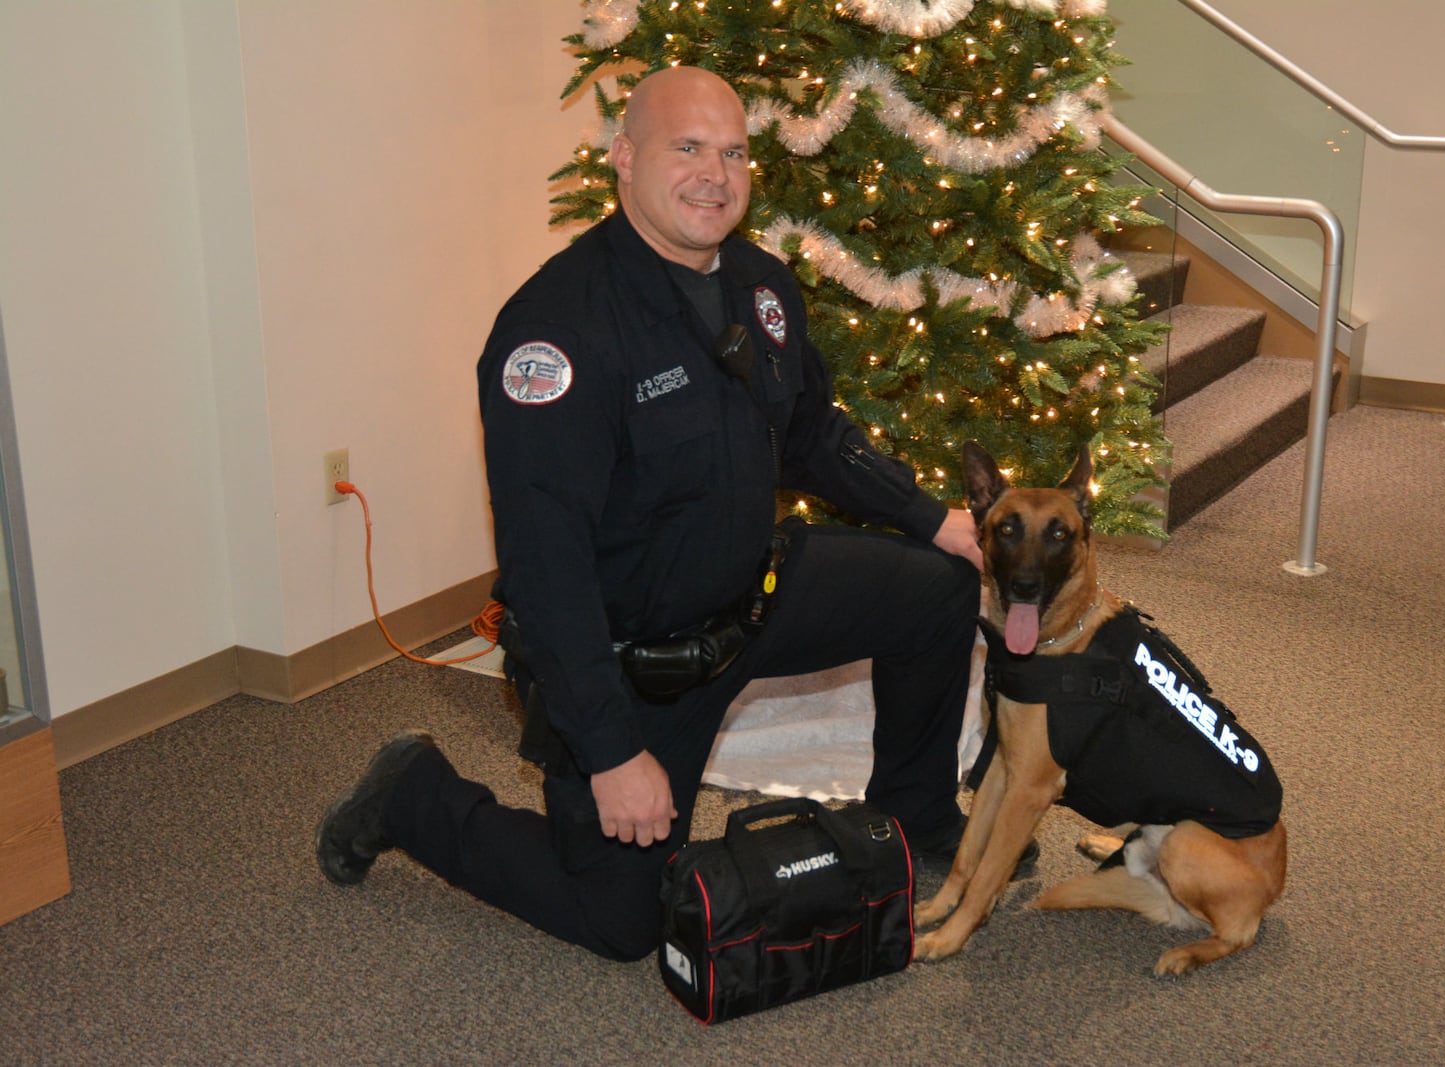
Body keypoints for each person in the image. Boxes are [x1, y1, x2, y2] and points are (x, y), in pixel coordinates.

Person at [316, 66, 989, 962]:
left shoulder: (762, 287)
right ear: (624, 160)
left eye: (736, 152)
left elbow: (810, 432)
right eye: (688, 148)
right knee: (622, 921)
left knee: (938, 585)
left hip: (754, 593)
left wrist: (928, 515)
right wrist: (608, 752)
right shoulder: (557, 331)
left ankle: (914, 818)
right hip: (638, 663)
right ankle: (414, 794)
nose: (717, 174)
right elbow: (545, 567)